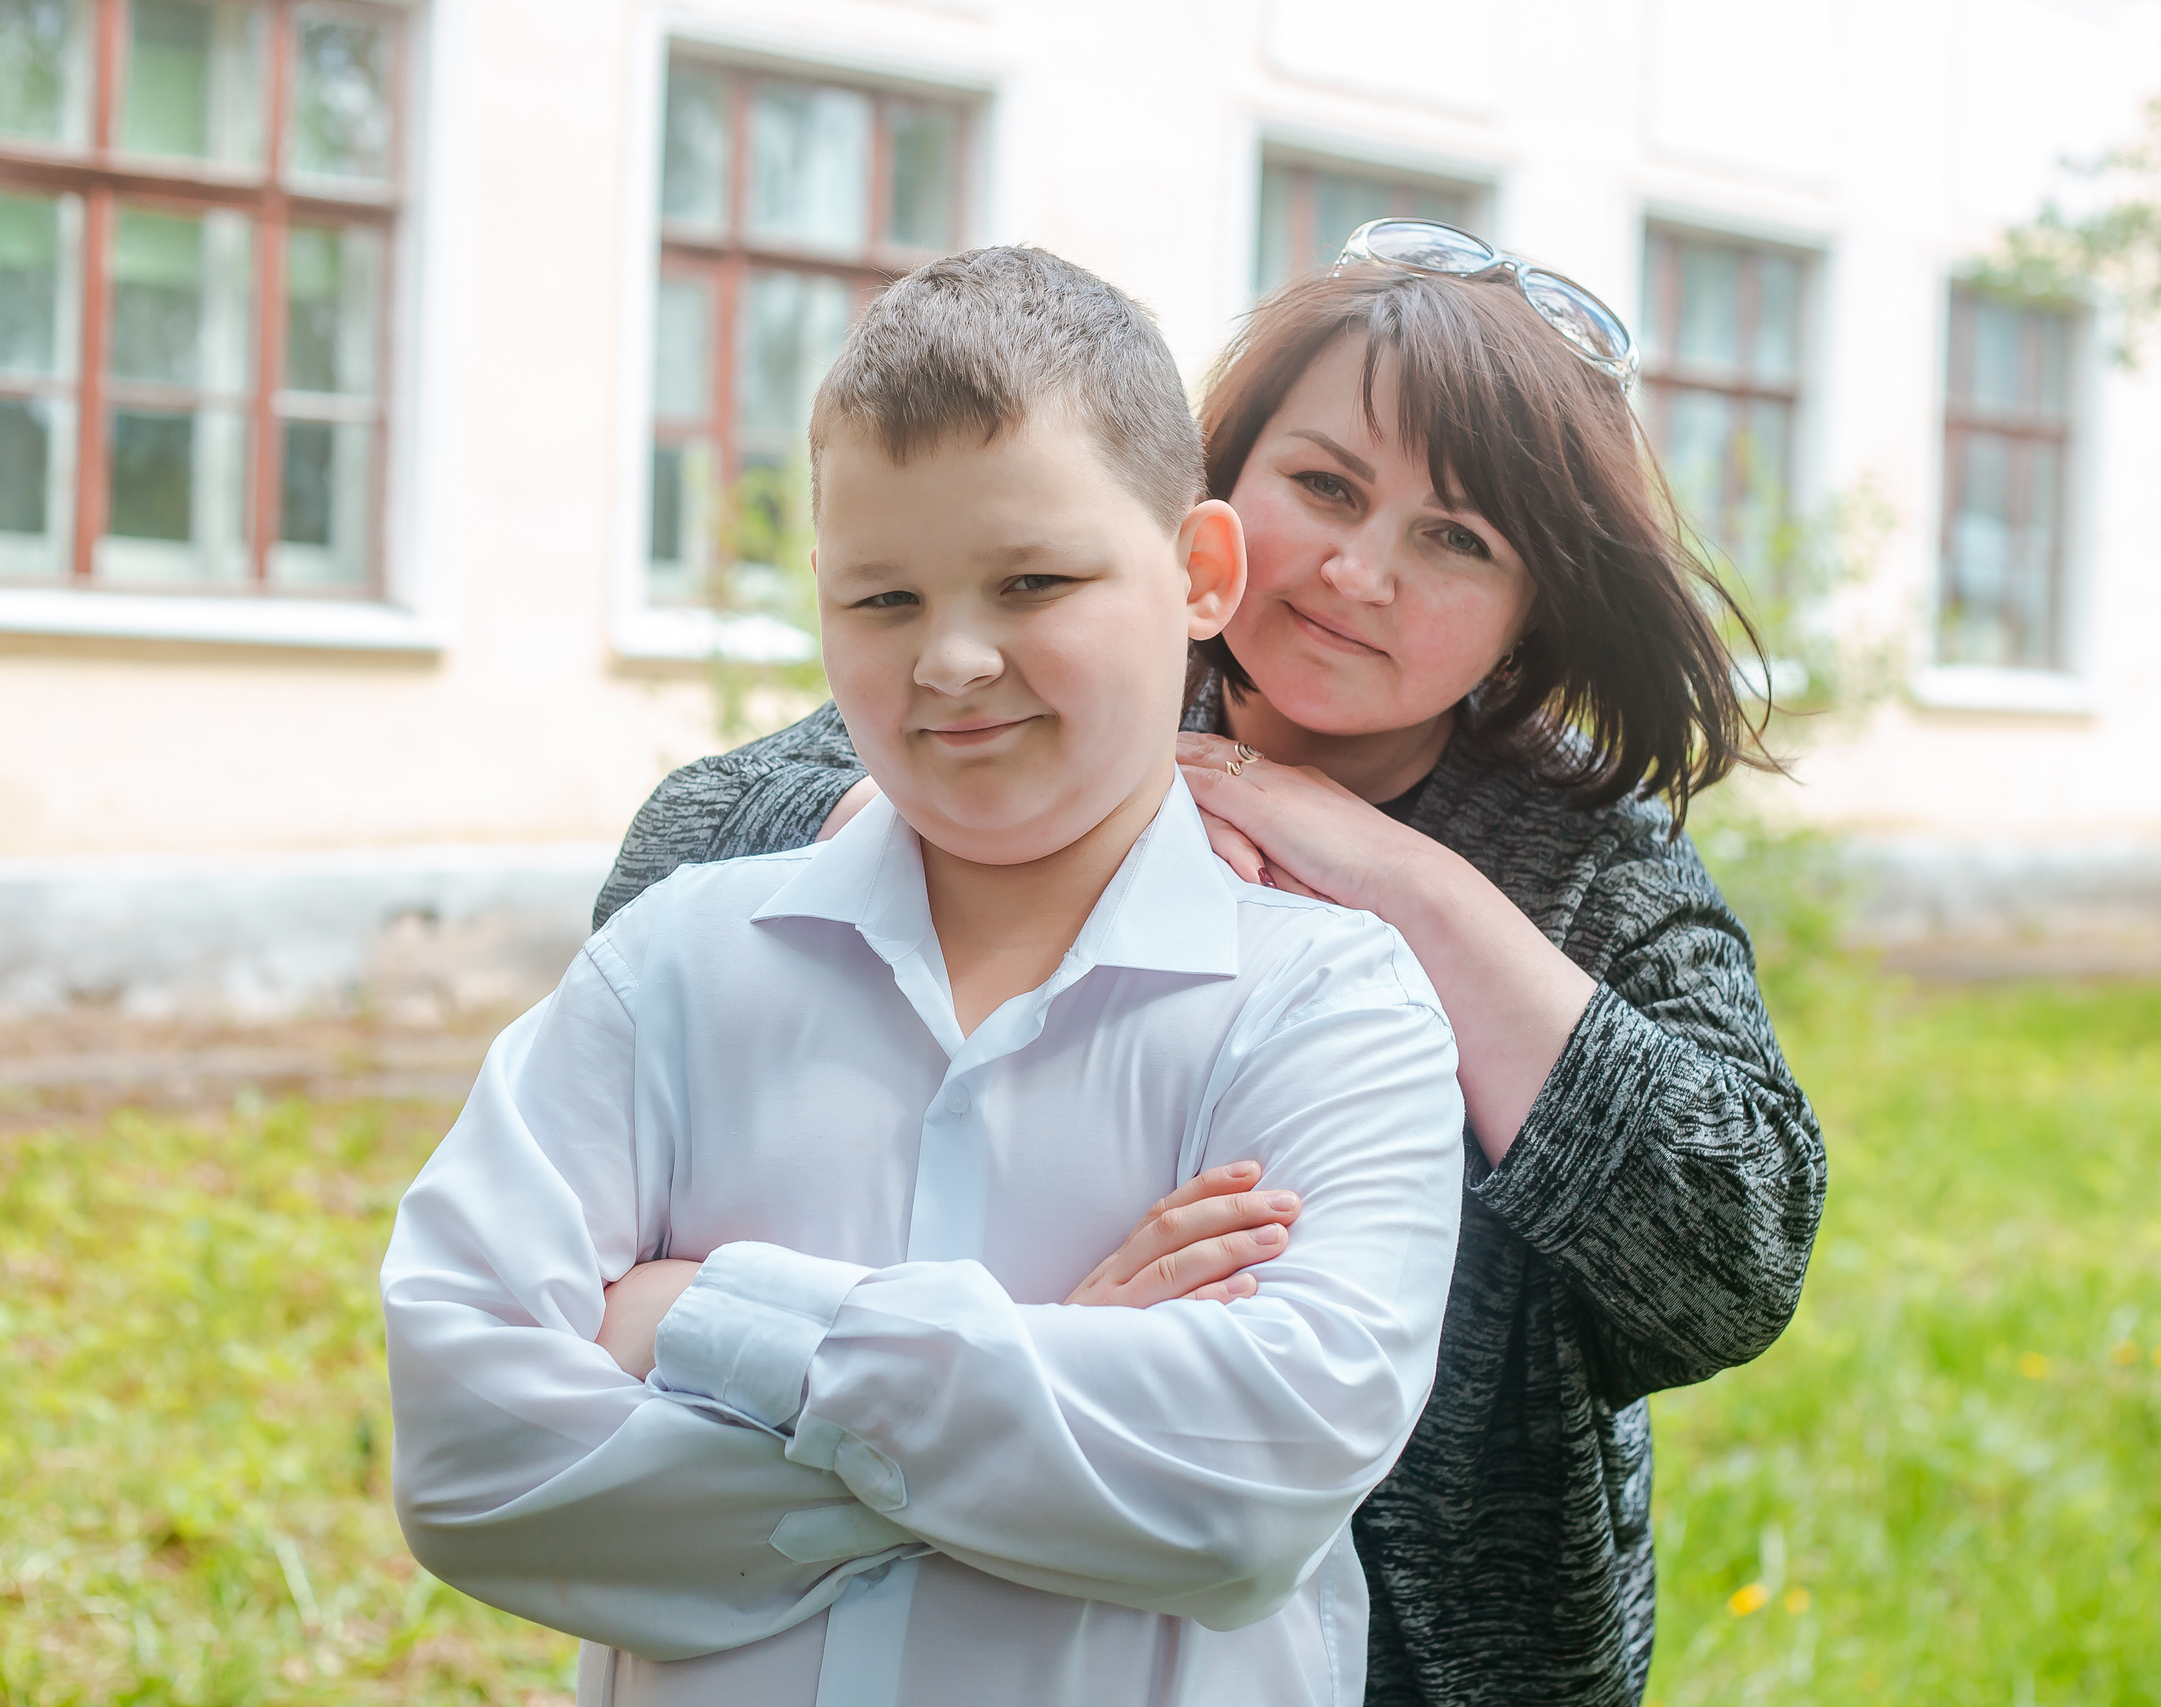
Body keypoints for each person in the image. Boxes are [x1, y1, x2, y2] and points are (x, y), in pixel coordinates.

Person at [593, 221, 1829, 1707]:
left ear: (1530, 610)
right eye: (1325, 485)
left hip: (1436, 1664)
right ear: (1213, 498)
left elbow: (1733, 1257)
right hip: (941, 1617)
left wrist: (1396, 878)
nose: (1358, 571)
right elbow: (685, 873)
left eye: (1457, 539)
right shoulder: (1040, 683)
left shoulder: (1582, 865)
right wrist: (1006, 809)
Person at [382, 246, 1468, 1707]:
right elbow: (472, 1460)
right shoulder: (674, 968)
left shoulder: (1335, 1011)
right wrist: (1059, 1384)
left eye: (1032, 582)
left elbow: (1248, 1495)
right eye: (883, 602)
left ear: (1202, 574)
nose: (952, 660)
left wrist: (716, 1322)